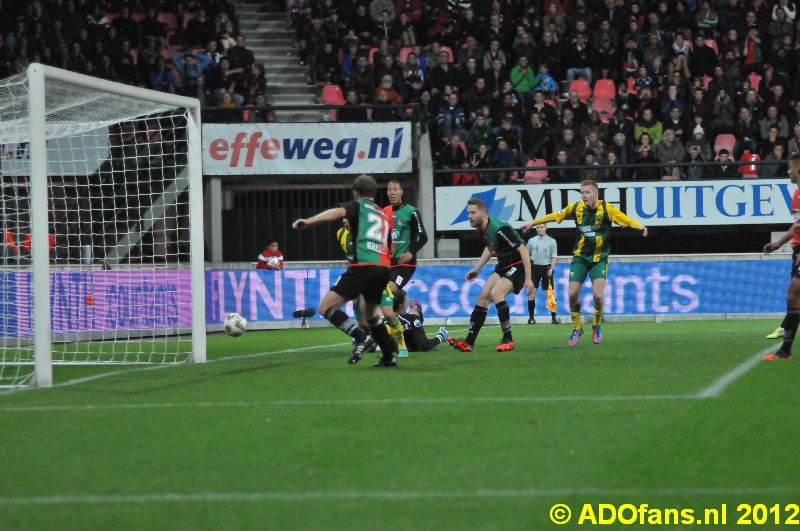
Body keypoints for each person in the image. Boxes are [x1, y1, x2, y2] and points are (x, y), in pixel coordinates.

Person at [524, 180, 648, 346]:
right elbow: (555, 215)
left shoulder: (606, 209)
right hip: (580, 258)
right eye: (582, 192)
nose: (584, 195)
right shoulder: (576, 208)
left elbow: (624, 218)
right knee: (572, 294)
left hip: (599, 258)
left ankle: (596, 324)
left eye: (587, 192)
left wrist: (639, 226)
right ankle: (577, 328)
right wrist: (533, 222)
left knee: (597, 295)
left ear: (597, 193)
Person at [292, 174, 398, 367]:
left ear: (355, 193)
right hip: (384, 268)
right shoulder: (383, 214)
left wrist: (309, 221)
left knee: (326, 307)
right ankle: (389, 357)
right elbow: (391, 247)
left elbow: (338, 212)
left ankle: (360, 337)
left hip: (364, 266)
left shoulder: (358, 206)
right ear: (374, 193)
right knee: (371, 316)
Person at [449, 198, 533, 352]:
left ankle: (508, 339)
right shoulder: (482, 228)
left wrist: (528, 279)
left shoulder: (500, 229)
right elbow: (490, 247)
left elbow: (523, 250)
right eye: (468, 213)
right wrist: (477, 269)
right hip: (504, 265)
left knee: (496, 293)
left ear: (484, 213)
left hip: (517, 264)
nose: (470, 216)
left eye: (473, 213)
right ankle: (469, 342)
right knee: (482, 298)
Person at [383, 179, 428, 356]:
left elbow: (423, 237)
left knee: (390, 290)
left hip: (405, 264)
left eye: (395, 189)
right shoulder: (384, 212)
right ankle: (413, 312)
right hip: (388, 263)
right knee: (387, 295)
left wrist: (411, 252)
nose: (392, 192)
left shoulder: (411, 212)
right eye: (389, 189)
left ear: (401, 192)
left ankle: (394, 338)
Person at [763, 153, 800, 360]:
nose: (788, 171)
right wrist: (779, 243)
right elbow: (798, 225)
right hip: (797, 248)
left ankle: (785, 351)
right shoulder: (796, 195)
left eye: (790, 167)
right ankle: (785, 350)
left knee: (793, 294)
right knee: (795, 296)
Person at [526, 223, 560, 325]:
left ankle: (553, 317)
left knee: (550, 293)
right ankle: (531, 318)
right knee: (532, 292)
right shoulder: (531, 241)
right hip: (534, 268)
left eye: (541, 227)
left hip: (547, 268)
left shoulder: (551, 241)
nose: (540, 229)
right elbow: (527, 256)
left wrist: (552, 268)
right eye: (538, 227)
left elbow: (554, 256)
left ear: (545, 228)